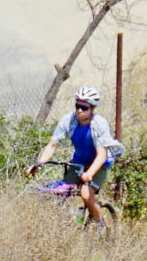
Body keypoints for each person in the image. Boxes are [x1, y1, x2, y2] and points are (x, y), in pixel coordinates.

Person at [35, 86, 125, 227]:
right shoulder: (68, 121)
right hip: (79, 163)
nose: (79, 110)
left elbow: (102, 155)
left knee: (85, 194)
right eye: (77, 106)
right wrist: (39, 164)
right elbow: (52, 145)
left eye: (84, 107)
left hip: (99, 165)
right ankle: (69, 224)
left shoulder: (99, 124)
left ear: (92, 109)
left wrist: (90, 174)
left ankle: (101, 224)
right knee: (59, 192)